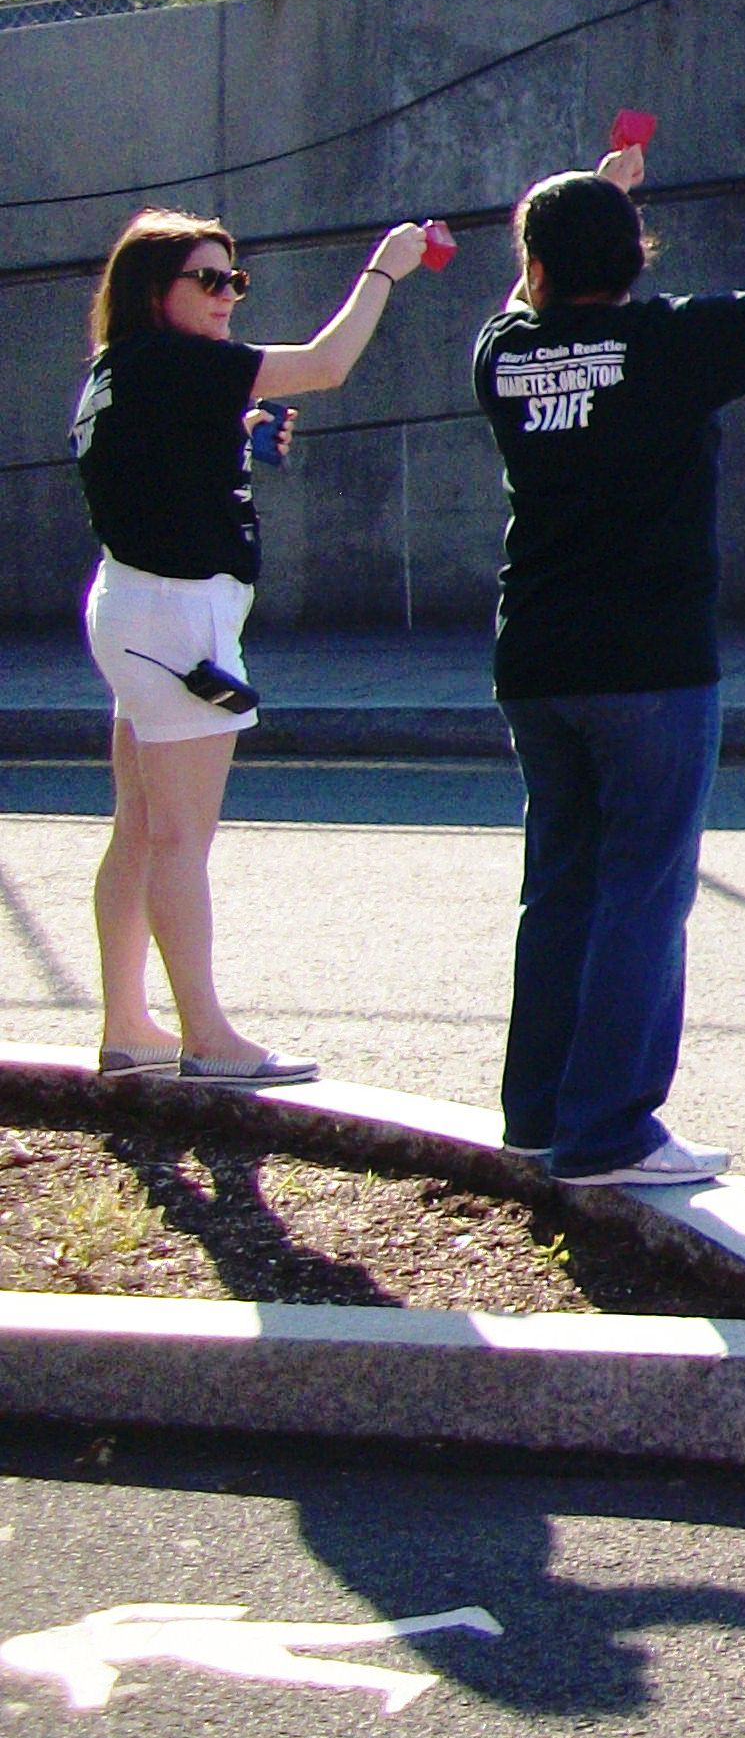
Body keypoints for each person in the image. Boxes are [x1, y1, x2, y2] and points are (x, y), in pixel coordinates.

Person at [476, 78, 745, 1189]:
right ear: (637, 256)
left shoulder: (501, 354)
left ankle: (540, 1112)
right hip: (648, 663)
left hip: (536, 658)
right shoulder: (669, 344)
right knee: (643, 890)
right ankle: (608, 1133)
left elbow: (536, 292)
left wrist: (596, 191)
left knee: (560, 883)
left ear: (539, 265)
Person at [73, 206, 444, 1083]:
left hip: (136, 607)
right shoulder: (172, 360)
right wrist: (385, 269)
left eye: (234, 279)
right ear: (151, 292)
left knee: (139, 830)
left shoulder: (121, 370)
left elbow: (151, 463)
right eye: (207, 280)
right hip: (176, 615)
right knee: (178, 840)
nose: (227, 295)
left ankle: (128, 1026)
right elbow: (326, 364)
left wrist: (233, 434)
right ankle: (207, 1036)